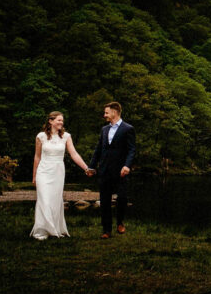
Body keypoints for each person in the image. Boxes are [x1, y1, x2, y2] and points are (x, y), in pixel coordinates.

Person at [30, 111, 91, 240]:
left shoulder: (66, 137)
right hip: (43, 171)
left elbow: (74, 154)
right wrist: (34, 175)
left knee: (55, 200)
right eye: (58, 120)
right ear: (51, 121)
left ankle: (55, 228)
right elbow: (37, 156)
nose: (61, 123)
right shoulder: (41, 136)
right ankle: (42, 230)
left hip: (58, 171)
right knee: (44, 199)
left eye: (62, 121)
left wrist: (86, 168)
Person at [88, 101, 136, 239]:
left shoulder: (128, 129)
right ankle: (106, 230)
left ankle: (120, 221)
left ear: (114, 112)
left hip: (121, 170)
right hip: (104, 170)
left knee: (122, 198)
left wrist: (127, 165)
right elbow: (98, 149)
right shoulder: (104, 130)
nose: (104, 115)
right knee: (105, 200)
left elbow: (132, 150)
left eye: (106, 112)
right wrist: (92, 166)